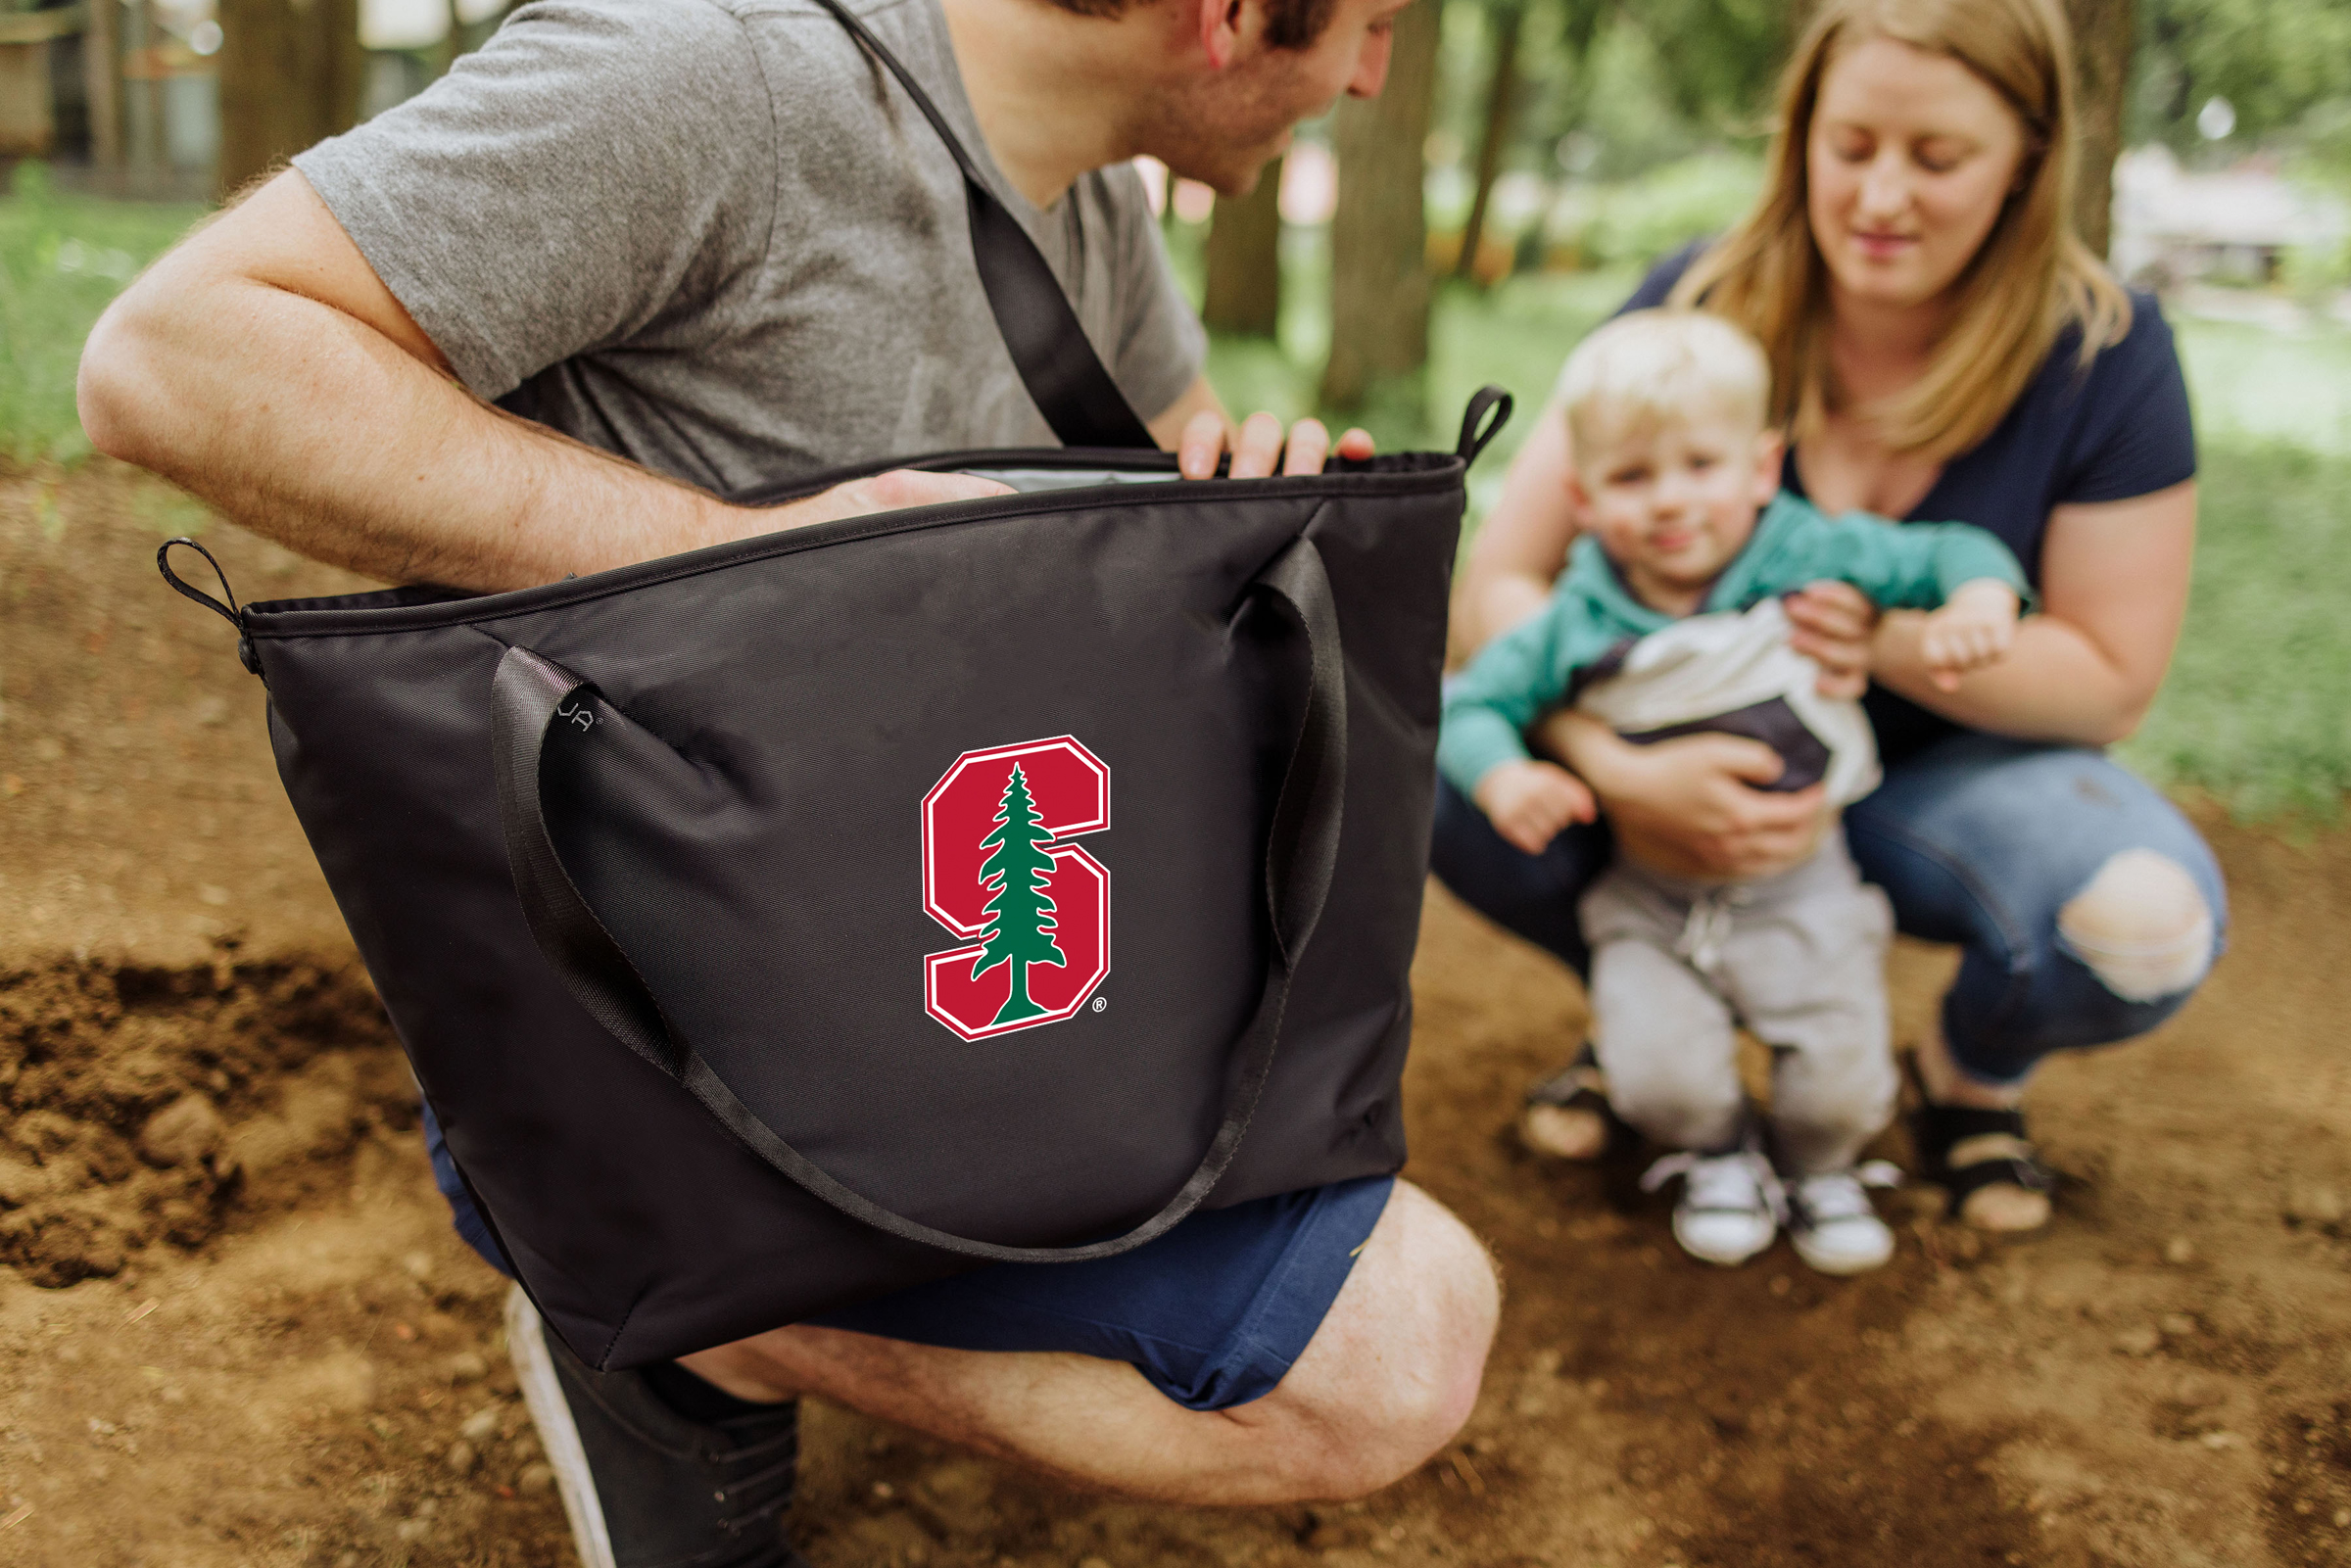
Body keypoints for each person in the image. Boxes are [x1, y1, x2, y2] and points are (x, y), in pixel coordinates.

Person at [74, 0, 1500, 1560]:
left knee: (1405, 1331)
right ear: (1226, 16)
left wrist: (1236, 502)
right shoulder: (713, 74)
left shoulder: (1093, 182)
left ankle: (748, 1308)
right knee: (1387, 1356)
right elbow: (170, 359)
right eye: (1367, 25)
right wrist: (729, 561)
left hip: (969, 986)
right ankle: (685, 1315)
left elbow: (1125, 546)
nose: (1375, 76)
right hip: (662, 1032)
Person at [1437, 0, 2225, 1243]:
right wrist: (1617, 760)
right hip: (1670, 776)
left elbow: (2109, 680)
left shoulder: (2105, 351)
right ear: (1800, 131)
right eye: (1850, 145)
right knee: (1441, 758)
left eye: (1938, 158)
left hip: (1941, 784)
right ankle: (1658, 1014)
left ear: (2030, 153)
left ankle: (1965, 1078)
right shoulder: (1693, 300)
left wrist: (1883, 643)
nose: (1881, 196)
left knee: (2143, 920)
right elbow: (1502, 587)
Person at [1440, 308, 2026, 1274]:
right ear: (1582, 499)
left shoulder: (1805, 553)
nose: (1670, 501)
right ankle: (1711, 1153)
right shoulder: (1581, 612)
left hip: (1806, 886)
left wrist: (1979, 601)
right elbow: (1475, 704)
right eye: (1632, 477)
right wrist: (1504, 774)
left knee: (1840, 1078)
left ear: (1761, 468)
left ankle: (1822, 1164)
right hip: (1651, 897)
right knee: (1659, 1074)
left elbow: (1951, 549)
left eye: (1700, 466)